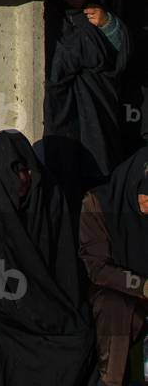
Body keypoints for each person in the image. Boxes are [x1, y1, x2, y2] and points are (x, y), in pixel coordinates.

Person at [0, 130, 95, 386]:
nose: (24, 178)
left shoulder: (46, 198)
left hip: (42, 299)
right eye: (14, 170)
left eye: (26, 168)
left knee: (77, 336)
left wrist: (52, 307)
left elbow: (63, 265)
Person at [44, 0, 131, 205]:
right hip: (65, 114)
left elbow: (118, 59)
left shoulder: (98, 18)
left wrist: (109, 26)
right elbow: (58, 66)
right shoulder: (52, 20)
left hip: (99, 109)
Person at [79, 146, 148, 386]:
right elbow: (97, 267)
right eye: (145, 195)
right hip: (113, 290)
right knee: (117, 308)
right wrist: (142, 286)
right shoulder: (98, 204)